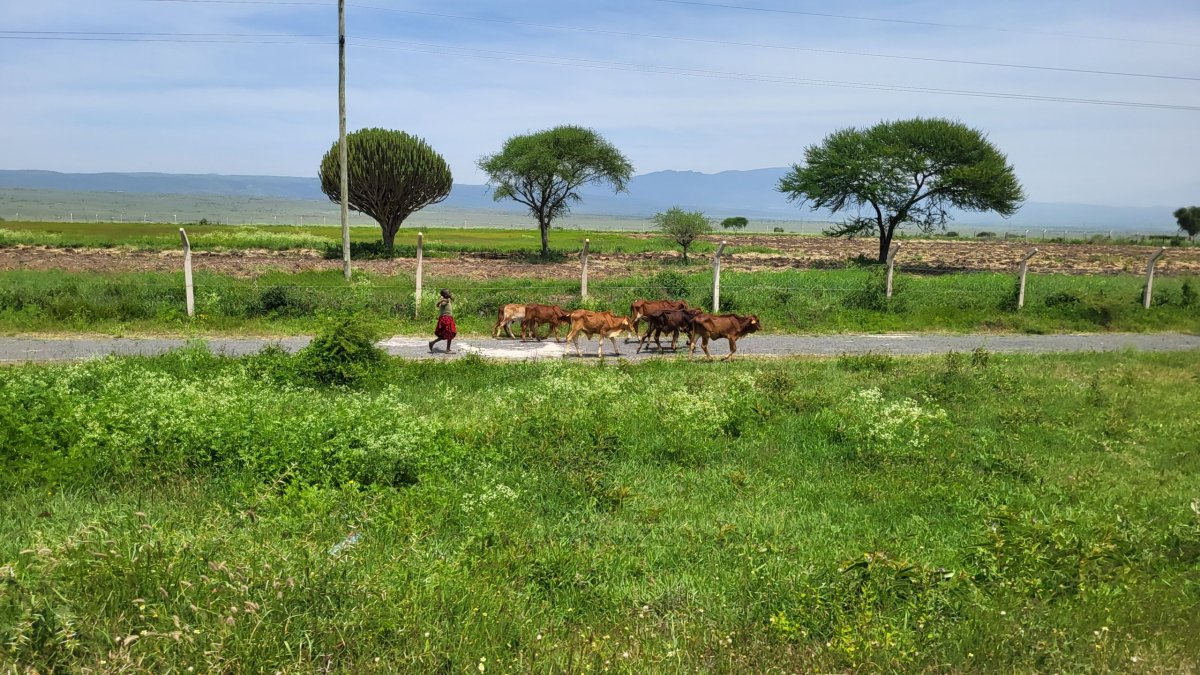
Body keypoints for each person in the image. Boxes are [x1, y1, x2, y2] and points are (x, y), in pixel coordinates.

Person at [428, 289, 457, 353]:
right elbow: (441, 304)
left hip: (448, 318)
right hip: (446, 319)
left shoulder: (447, 299)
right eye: (449, 293)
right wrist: (442, 300)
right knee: (449, 333)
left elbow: (453, 298)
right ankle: (447, 349)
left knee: (447, 334)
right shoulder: (444, 301)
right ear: (445, 295)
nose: (450, 294)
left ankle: (432, 343)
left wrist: (447, 298)